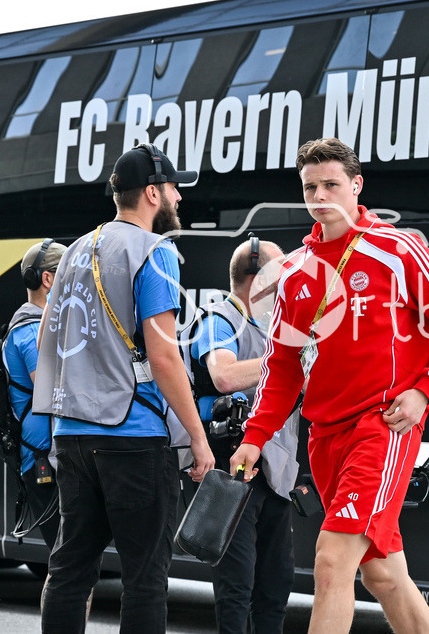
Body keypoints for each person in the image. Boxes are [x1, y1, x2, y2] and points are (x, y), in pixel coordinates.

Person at [230, 137, 429, 633]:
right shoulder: (295, 272)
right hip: (324, 437)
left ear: (356, 186)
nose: (320, 196)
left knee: (330, 560)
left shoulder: (397, 248)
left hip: (382, 427)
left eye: (331, 185)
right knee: (383, 574)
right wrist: (254, 438)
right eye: (310, 187)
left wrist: (425, 390)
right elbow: (281, 365)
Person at [33, 143, 214, 633]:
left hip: (72, 435)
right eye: (175, 188)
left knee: (70, 569)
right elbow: (163, 355)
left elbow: (49, 340)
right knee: (144, 578)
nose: (180, 197)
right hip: (133, 439)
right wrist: (197, 437)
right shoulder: (155, 253)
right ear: (153, 193)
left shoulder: (73, 252)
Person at [182, 237, 299, 634]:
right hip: (234, 471)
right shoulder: (219, 317)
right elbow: (224, 375)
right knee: (238, 585)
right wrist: (287, 363)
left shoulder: (272, 327)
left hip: (275, 474)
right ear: (258, 279)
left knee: (276, 584)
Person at [2, 238, 68, 552]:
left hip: (54, 457)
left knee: (72, 561)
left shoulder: (44, 324)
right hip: (44, 459)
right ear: (48, 279)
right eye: (68, 275)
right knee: (65, 561)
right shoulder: (29, 330)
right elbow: (51, 385)